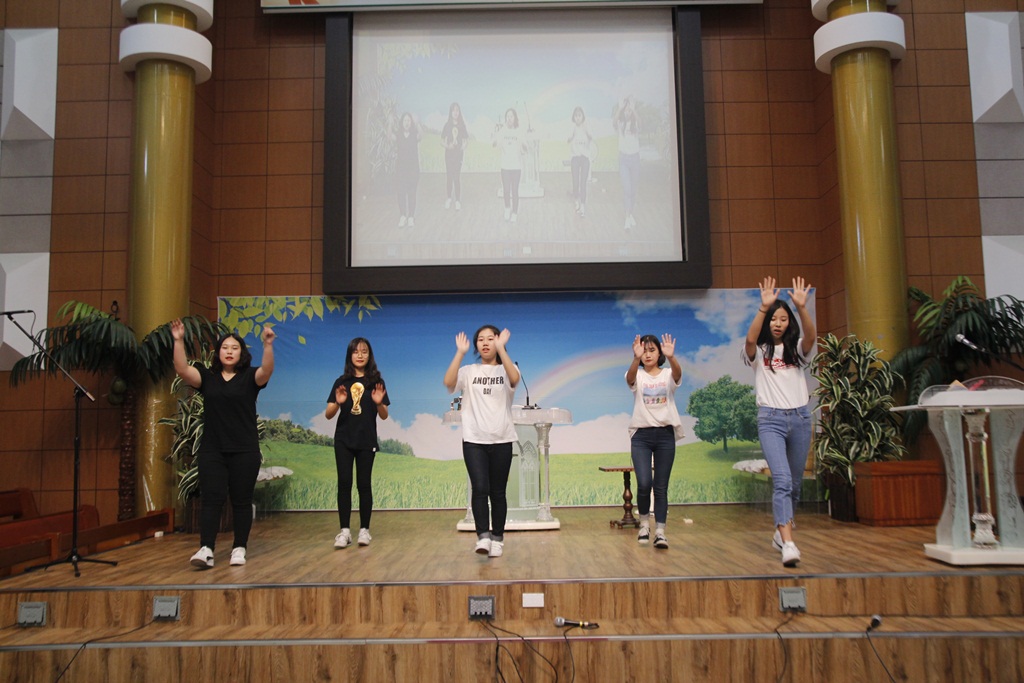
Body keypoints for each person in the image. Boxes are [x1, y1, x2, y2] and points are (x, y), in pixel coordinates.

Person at [171, 320, 275, 569]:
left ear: (241, 353)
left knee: (241, 500)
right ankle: (206, 548)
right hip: (212, 450)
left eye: (234, 348)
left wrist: (268, 345)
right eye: (225, 347)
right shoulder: (208, 378)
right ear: (218, 352)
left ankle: (239, 548)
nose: (229, 351)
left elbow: (267, 371)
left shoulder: (249, 377)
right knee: (211, 499)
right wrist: (178, 340)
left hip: (245, 450)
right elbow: (182, 369)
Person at [742, 276, 816, 568]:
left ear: (789, 323)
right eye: (774, 319)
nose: (778, 323)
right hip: (770, 419)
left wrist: (802, 307)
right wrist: (764, 308)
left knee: (795, 485)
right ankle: (788, 543)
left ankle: (779, 534)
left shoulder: (796, 349)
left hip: (800, 418)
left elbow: (811, 338)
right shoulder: (760, 352)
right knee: (782, 480)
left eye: (783, 319)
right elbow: (749, 341)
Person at [443, 325, 520, 558]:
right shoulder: (469, 371)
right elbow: (448, 383)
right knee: (480, 488)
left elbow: (515, 379)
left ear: (498, 342)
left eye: (490, 339)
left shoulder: (508, 369)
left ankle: (497, 539)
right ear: (476, 345)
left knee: (497, 492)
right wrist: (460, 353)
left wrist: (502, 349)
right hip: (474, 439)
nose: (485, 343)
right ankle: (483, 537)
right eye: (481, 339)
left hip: (502, 438)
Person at [325, 337, 390, 549]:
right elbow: (328, 414)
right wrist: (338, 403)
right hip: (343, 439)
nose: (360, 355)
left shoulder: (376, 382)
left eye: (364, 351)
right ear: (350, 355)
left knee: (364, 484)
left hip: (366, 439)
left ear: (370, 355)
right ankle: (344, 531)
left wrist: (379, 403)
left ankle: (364, 530)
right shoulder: (341, 382)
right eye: (356, 351)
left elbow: (384, 415)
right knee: (344, 483)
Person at [626, 333, 684, 550]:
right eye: (644, 351)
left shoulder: (668, 374)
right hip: (641, 436)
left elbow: (678, 375)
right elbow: (630, 379)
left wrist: (672, 357)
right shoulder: (638, 375)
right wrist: (635, 358)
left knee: (660, 486)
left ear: (659, 352)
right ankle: (644, 525)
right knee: (644, 483)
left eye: (652, 350)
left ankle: (660, 532)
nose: (648, 355)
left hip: (665, 435)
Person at [492, 108, 526, 224]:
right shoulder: (502, 131)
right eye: (507, 116)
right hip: (505, 166)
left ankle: (515, 213)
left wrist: (524, 147)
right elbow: (496, 143)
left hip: (516, 166)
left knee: (514, 191)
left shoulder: (519, 132)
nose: (509, 119)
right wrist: (494, 142)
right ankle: (507, 208)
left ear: (515, 118)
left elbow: (524, 148)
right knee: (506, 190)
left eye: (511, 116)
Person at [614, 97, 641, 231]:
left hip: (635, 159)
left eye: (629, 111)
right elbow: (614, 121)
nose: (628, 112)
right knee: (627, 189)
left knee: (633, 190)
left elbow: (640, 121)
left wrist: (633, 109)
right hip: (624, 159)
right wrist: (620, 108)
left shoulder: (635, 125)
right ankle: (627, 217)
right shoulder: (621, 124)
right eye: (626, 111)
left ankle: (630, 214)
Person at [394, 112, 421, 228]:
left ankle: (411, 217)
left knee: (412, 193)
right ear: (402, 122)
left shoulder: (414, 134)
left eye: (409, 120)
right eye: (405, 120)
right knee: (401, 192)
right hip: (401, 169)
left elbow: (421, 136)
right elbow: (389, 137)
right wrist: (389, 124)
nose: (407, 123)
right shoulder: (399, 135)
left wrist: (418, 123)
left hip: (413, 169)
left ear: (411, 123)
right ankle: (402, 216)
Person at [441, 102, 469, 211]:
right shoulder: (447, 125)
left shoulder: (462, 126)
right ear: (451, 112)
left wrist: (463, 147)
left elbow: (466, 141)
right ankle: (448, 198)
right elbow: (441, 141)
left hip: (458, 156)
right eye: (453, 110)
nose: (455, 112)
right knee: (449, 177)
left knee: (456, 177)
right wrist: (448, 146)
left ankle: (457, 200)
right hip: (449, 155)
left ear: (459, 112)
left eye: (457, 110)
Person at [568, 106, 593, 217]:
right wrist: (572, 135)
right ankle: (576, 200)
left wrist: (586, 130)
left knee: (583, 182)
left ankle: (583, 205)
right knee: (575, 182)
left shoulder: (586, 127)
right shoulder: (572, 127)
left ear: (583, 117)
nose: (578, 118)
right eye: (576, 116)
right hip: (575, 158)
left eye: (579, 115)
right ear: (574, 117)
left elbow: (591, 137)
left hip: (585, 158)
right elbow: (568, 139)